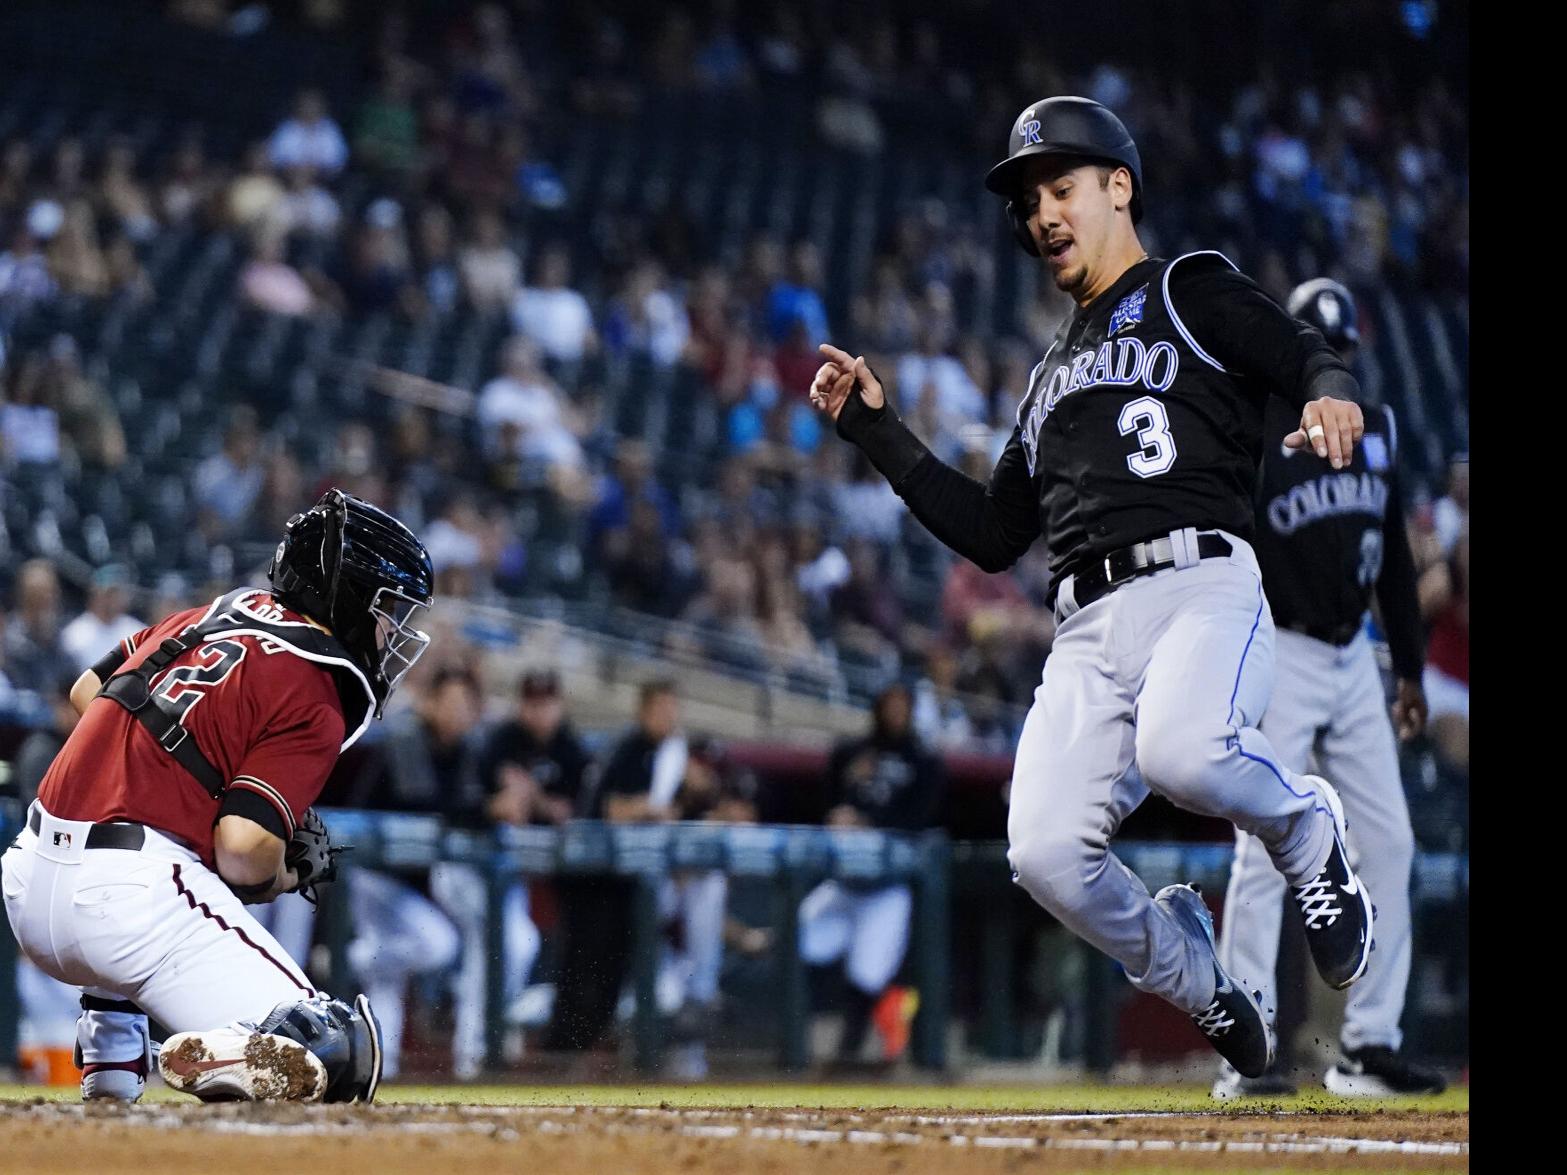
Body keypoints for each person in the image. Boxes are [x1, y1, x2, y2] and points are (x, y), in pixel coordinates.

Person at [808, 96, 1373, 1079]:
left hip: (1200, 582)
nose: (1040, 212)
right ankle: (1190, 971)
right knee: (1041, 852)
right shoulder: (1046, 377)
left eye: (1058, 186)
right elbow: (992, 534)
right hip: (1085, 626)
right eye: (1028, 199)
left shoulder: (1187, 288)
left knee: (1186, 751)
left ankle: (1304, 823)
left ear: (1119, 186)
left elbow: (1295, 352)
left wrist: (1329, 385)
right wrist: (876, 429)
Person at [1, 489, 434, 1103]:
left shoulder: (211, 614)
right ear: (349, 596)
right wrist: (277, 873)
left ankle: (113, 1056)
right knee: (337, 1052)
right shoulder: (319, 680)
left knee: (161, 883)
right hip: (129, 900)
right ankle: (203, 1051)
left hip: (26, 877)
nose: (395, 630)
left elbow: (85, 692)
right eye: (389, 608)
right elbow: (242, 850)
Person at [1214, 279, 1446, 1098]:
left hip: (1354, 657)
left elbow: (1389, 556)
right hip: (1278, 648)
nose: (1331, 365)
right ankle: (1249, 1048)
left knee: (1388, 843)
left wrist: (1409, 667)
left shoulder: (1374, 430)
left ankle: (1369, 1045)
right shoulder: (1256, 431)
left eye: (1340, 352)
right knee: (1261, 852)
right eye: (1319, 349)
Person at [341, 667, 492, 1081]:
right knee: (438, 944)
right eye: (451, 702)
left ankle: (380, 1068)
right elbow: (425, 803)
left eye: (467, 704)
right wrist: (485, 809)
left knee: (389, 973)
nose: (459, 712)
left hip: (408, 881)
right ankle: (353, 956)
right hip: (371, 871)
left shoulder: (467, 751)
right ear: (431, 703)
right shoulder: (408, 739)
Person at [798, 683, 942, 1064]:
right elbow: (824, 802)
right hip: (842, 882)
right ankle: (791, 1041)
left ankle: (853, 1049)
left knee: (868, 973)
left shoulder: (921, 759)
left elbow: (920, 817)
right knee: (800, 940)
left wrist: (868, 819)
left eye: (902, 704)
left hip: (885, 887)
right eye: (889, 704)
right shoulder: (852, 752)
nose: (895, 712)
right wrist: (841, 808)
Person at [59, 565, 144, 674]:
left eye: (118, 592)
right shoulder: (74, 636)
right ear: (95, 593)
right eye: (109, 593)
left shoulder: (137, 632)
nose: (114, 599)